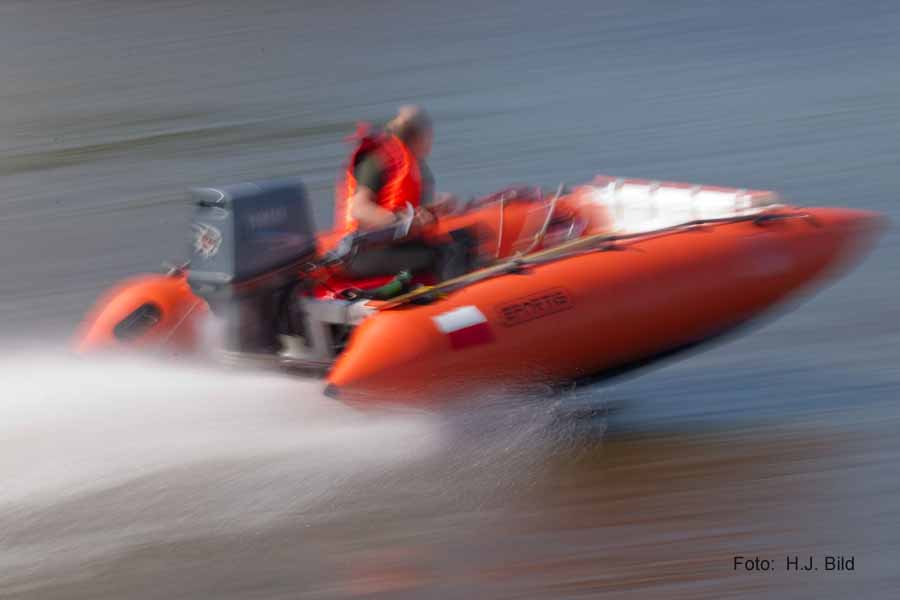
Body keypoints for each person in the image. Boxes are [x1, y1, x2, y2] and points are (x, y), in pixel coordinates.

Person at [334, 106, 472, 281]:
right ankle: (456, 301)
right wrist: (403, 221)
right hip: (360, 252)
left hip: (391, 245)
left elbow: (401, 207)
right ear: (419, 136)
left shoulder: (411, 164)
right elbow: (359, 209)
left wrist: (434, 207)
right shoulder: (378, 161)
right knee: (448, 253)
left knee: (463, 237)